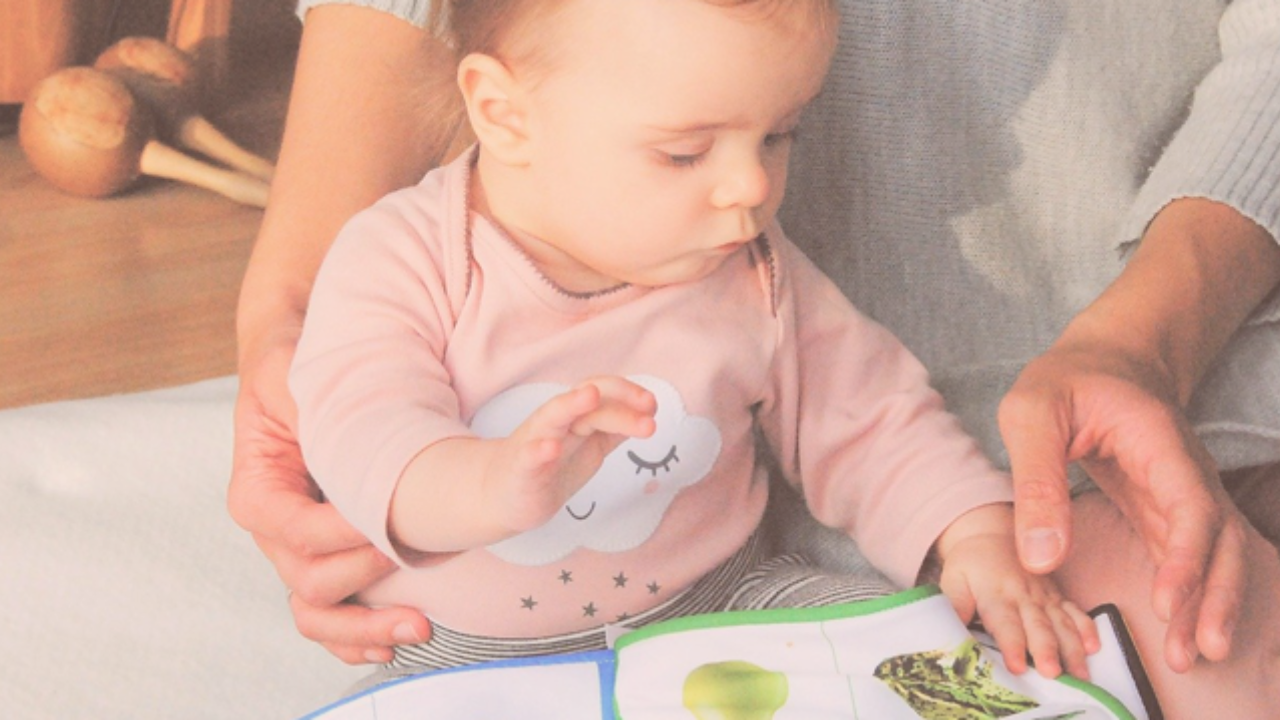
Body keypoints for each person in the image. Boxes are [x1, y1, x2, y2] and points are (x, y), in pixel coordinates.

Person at [228, 0, 1280, 709]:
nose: (746, 190)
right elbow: (361, 422)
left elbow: (865, 416)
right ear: (504, 114)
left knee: (933, 672)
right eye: (686, 152)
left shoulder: (749, 270)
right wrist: (489, 482)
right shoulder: (406, 255)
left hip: (725, 597)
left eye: (778, 138)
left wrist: (968, 534)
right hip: (459, 640)